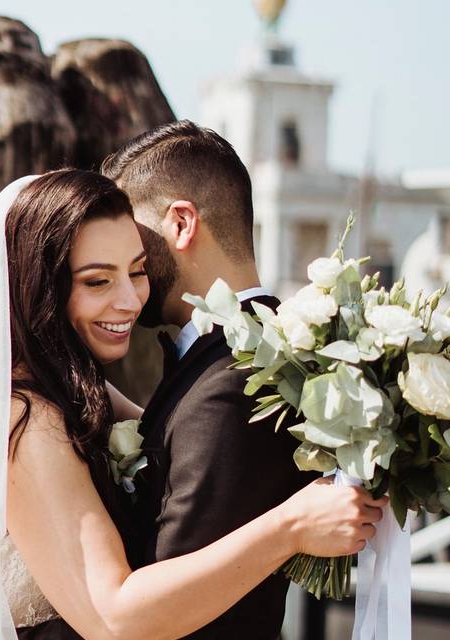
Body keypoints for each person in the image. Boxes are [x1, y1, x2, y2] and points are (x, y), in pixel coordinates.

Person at [0, 169, 385, 640]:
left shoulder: (71, 395)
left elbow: (165, 433)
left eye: (138, 270)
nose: (129, 300)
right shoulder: (28, 423)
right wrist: (290, 526)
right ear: (41, 289)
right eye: (98, 280)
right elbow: (113, 615)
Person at [88, 119, 324, 638]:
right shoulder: (236, 358)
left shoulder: (236, 382)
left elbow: (173, 605)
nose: (122, 256)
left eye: (133, 234)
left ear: (180, 224)